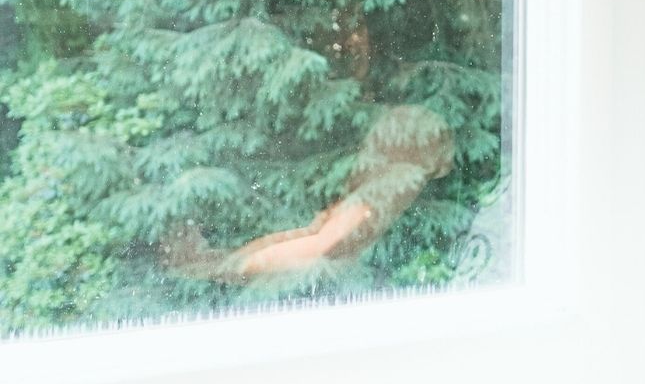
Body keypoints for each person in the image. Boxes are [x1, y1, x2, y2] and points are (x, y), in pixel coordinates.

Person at [161, 104, 454, 281]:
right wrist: (228, 259)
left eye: (376, 137)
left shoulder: (382, 194)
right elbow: (307, 234)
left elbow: (318, 245)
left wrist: (233, 267)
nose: (366, 145)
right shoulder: (379, 190)